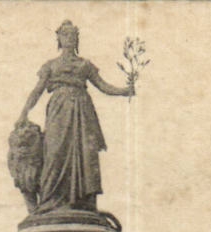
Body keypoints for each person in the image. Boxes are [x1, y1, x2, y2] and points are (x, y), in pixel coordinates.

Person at [17, 21, 136, 214]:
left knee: (85, 153)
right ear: (59, 39)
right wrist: (24, 113)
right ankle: (50, 200)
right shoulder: (50, 65)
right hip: (59, 110)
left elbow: (103, 86)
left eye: (73, 36)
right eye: (65, 35)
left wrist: (124, 91)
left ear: (77, 40)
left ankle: (83, 201)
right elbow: (37, 91)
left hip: (82, 112)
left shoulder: (85, 65)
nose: (69, 39)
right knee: (54, 152)